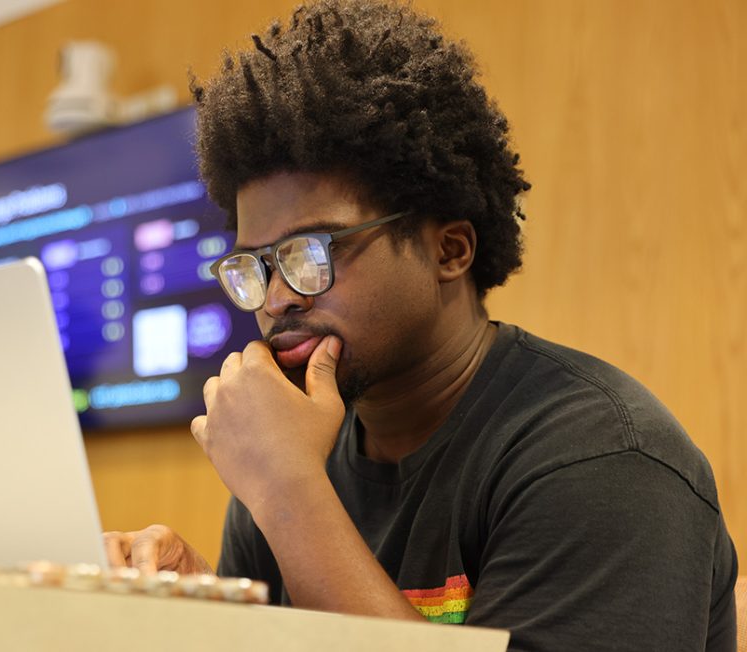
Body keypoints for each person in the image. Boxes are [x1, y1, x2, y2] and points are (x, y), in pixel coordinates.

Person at [103, 1, 738, 649]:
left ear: (449, 251)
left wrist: (288, 493)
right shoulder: (288, 456)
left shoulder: (603, 457)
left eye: (311, 253)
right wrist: (203, 614)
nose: (276, 299)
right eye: (257, 266)